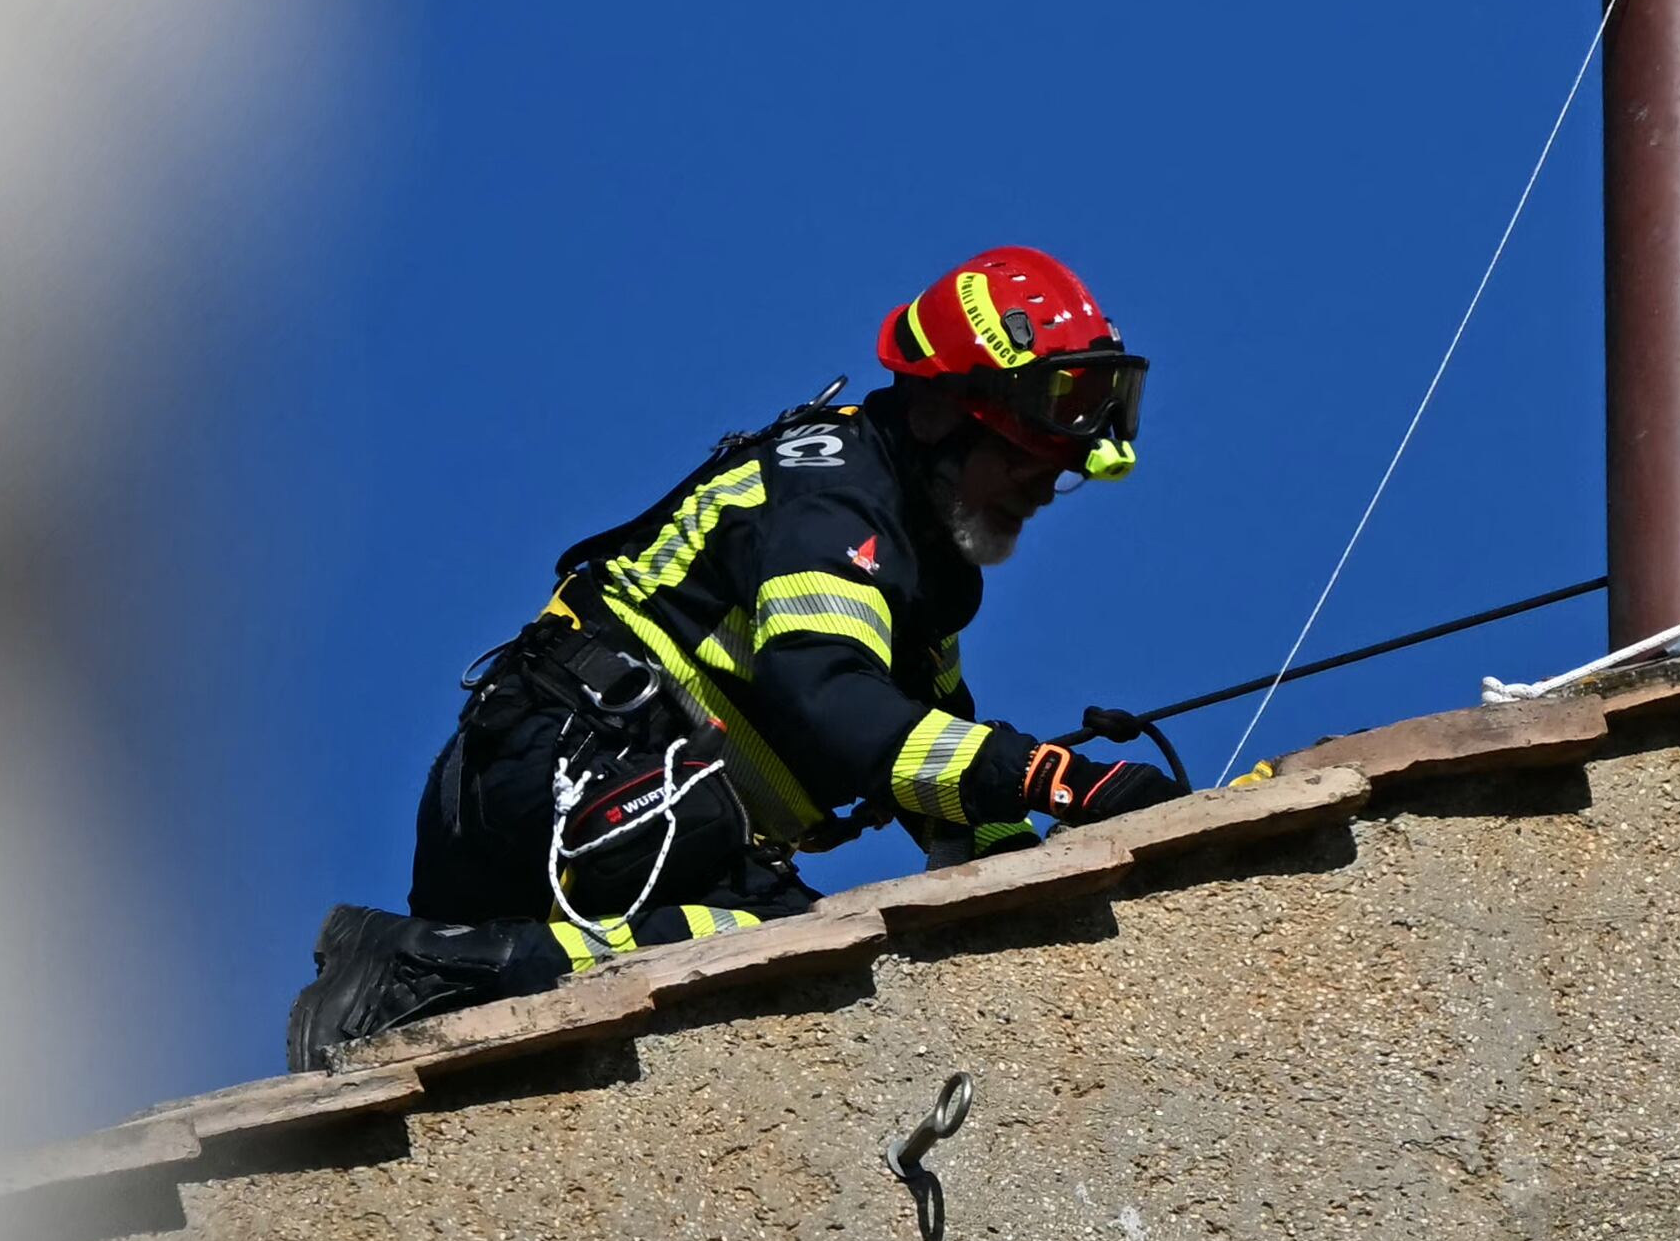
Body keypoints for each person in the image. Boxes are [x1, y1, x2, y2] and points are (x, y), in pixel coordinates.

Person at [284, 247, 1186, 1065]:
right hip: (572, 784)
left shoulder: (919, 564)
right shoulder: (831, 502)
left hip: (601, 815)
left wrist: (1040, 850)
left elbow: (933, 755)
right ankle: (423, 965)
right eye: (1028, 455)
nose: (1048, 484)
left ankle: (448, 982)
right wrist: (1059, 780)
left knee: (706, 985)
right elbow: (833, 704)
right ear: (943, 412)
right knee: (782, 948)